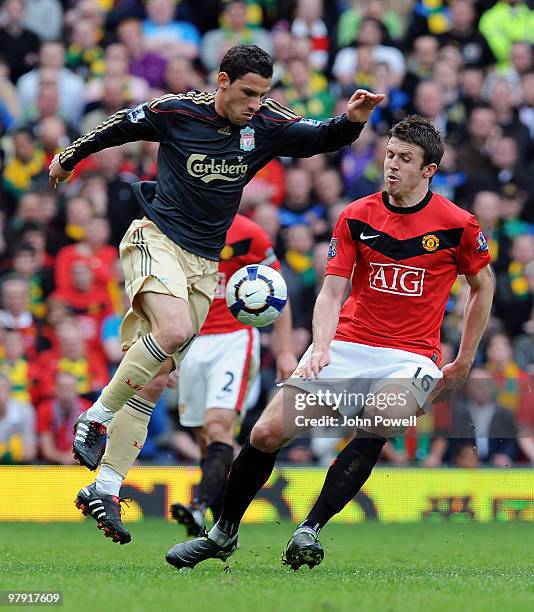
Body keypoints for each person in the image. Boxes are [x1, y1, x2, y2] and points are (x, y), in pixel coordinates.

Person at [48, 44, 384, 544]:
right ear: (222, 81)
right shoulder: (175, 110)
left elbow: (318, 138)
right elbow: (118, 125)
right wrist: (70, 156)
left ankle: (106, 486)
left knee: (157, 378)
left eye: (263, 94)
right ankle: (94, 418)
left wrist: (352, 120)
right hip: (156, 238)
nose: (256, 103)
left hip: (205, 265)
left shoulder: (265, 123)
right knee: (175, 330)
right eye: (248, 93)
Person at [166, 115, 494, 570]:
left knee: (381, 415)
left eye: (405, 159)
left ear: (429, 171)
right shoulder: (357, 215)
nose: (392, 165)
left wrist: (463, 360)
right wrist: (321, 346)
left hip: (411, 356)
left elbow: (483, 286)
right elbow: (332, 290)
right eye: (390, 155)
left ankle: (309, 528)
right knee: (264, 433)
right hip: (347, 344)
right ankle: (222, 533)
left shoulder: (458, 225)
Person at [170, 213, 296, 536]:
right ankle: (223, 532)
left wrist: (284, 350)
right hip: (191, 340)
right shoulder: (179, 225)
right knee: (205, 441)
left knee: (218, 426)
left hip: (234, 338)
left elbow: (277, 292)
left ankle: (198, 507)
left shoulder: (248, 234)